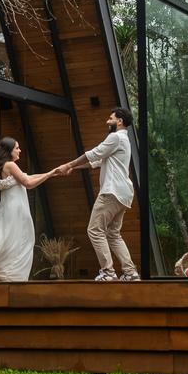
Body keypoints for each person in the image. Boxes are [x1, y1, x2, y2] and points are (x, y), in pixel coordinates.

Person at [56, 108, 139, 281]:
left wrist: (67, 164)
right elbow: (98, 160)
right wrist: (72, 167)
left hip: (112, 191)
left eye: (110, 119)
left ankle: (108, 273)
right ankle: (131, 274)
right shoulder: (124, 140)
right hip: (123, 194)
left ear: (120, 121)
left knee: (94, 230)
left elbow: (93, 154)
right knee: (113, 234)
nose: (107, 122)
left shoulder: (115, 137)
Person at [0, 137, 61, 282]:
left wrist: (52, 173)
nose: (20, 150)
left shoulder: (2, 167)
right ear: (9, 151)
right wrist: (49, 174)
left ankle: (7, 278)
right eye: (17, 148)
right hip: (15, 212)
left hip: (9, 211)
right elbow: (28, 183)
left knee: (12, 244)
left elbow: (27, 177)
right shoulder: (10, 165)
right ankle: (13, 278)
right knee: (18, 244)